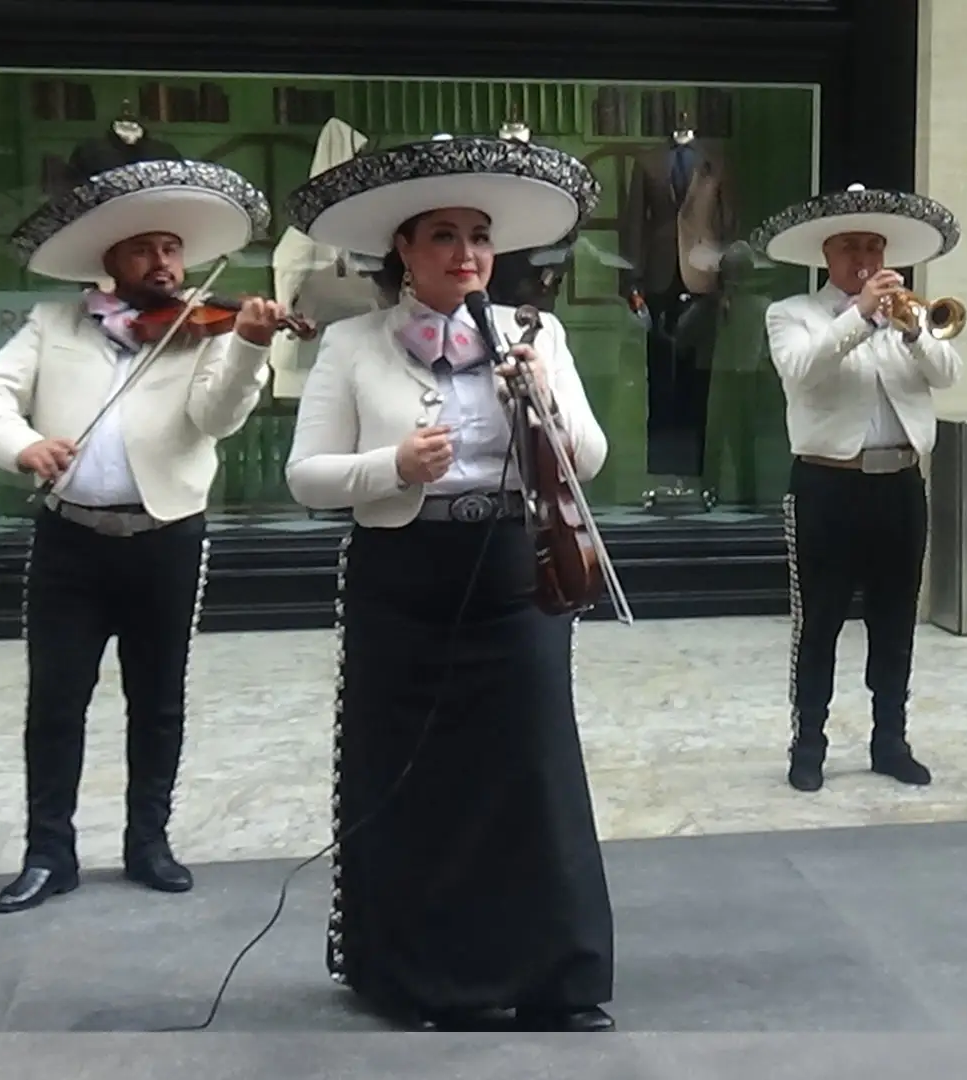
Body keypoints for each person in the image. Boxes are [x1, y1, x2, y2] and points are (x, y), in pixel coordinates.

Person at [282, 134, 616, 1032]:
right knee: (415, 775)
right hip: (404, 573)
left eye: (478, 235)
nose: (466, 253)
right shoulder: (353, 344)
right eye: (442, 235)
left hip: (514, 571)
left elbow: (590, 460)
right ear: (405, 249)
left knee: (533, 769)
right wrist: (390, 465)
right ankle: (424, 979)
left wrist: (542, 400)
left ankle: (557, 976)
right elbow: (306, 475)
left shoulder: (535, 335)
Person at [0, 155, 282, 912]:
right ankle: (49, 853)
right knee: (57, 699)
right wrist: (23, 445)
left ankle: (149, 842)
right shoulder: (51, 323)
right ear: (109, 261)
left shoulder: (206, 332)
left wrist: (252, 347)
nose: (162, 263)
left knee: (158, 696)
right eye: (143, 250)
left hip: (166, 534)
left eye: (171, 249)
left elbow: (216, 420)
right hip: (70, 538)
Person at [751, 183, 963, 793]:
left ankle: (890, 741)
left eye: (874, 246)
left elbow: (948, 375)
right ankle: (808, 745)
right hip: (827, 487)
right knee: (817, 624)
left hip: (900, 485)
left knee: (895, 623)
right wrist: (860, 314)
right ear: (826, 255)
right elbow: (804, 369)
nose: (865, 258)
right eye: (851, 248)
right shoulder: (792, 314)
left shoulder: (912, 315)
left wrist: (915, 331)